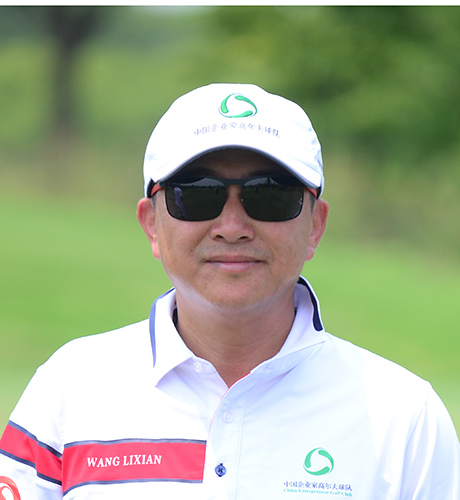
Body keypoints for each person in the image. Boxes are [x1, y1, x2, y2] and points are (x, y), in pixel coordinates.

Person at [1, 83, 459, 500]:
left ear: (315, 226)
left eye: (270, 194)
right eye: (196, 194)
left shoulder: (403, 417)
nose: (233, 226)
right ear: (151, 224)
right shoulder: (68, 389)